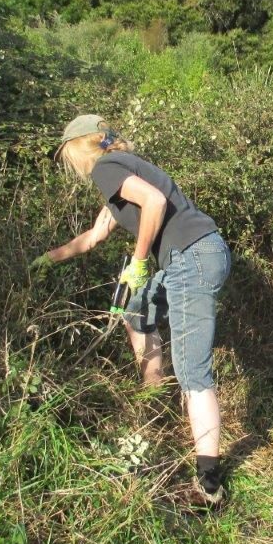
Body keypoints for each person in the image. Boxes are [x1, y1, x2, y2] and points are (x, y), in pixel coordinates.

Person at [30, 114, 231, 507]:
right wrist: (46, 260)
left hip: (192, 259)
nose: (69, 163)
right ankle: (153, 396)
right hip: (196, 255)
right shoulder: (121, 176)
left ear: (81, 146)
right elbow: (91, 238)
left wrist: (139, 261)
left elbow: (154, 202)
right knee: (136, 311)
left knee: (193, 372)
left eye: (68, 154)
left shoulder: (106, 168)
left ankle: (209, 485)